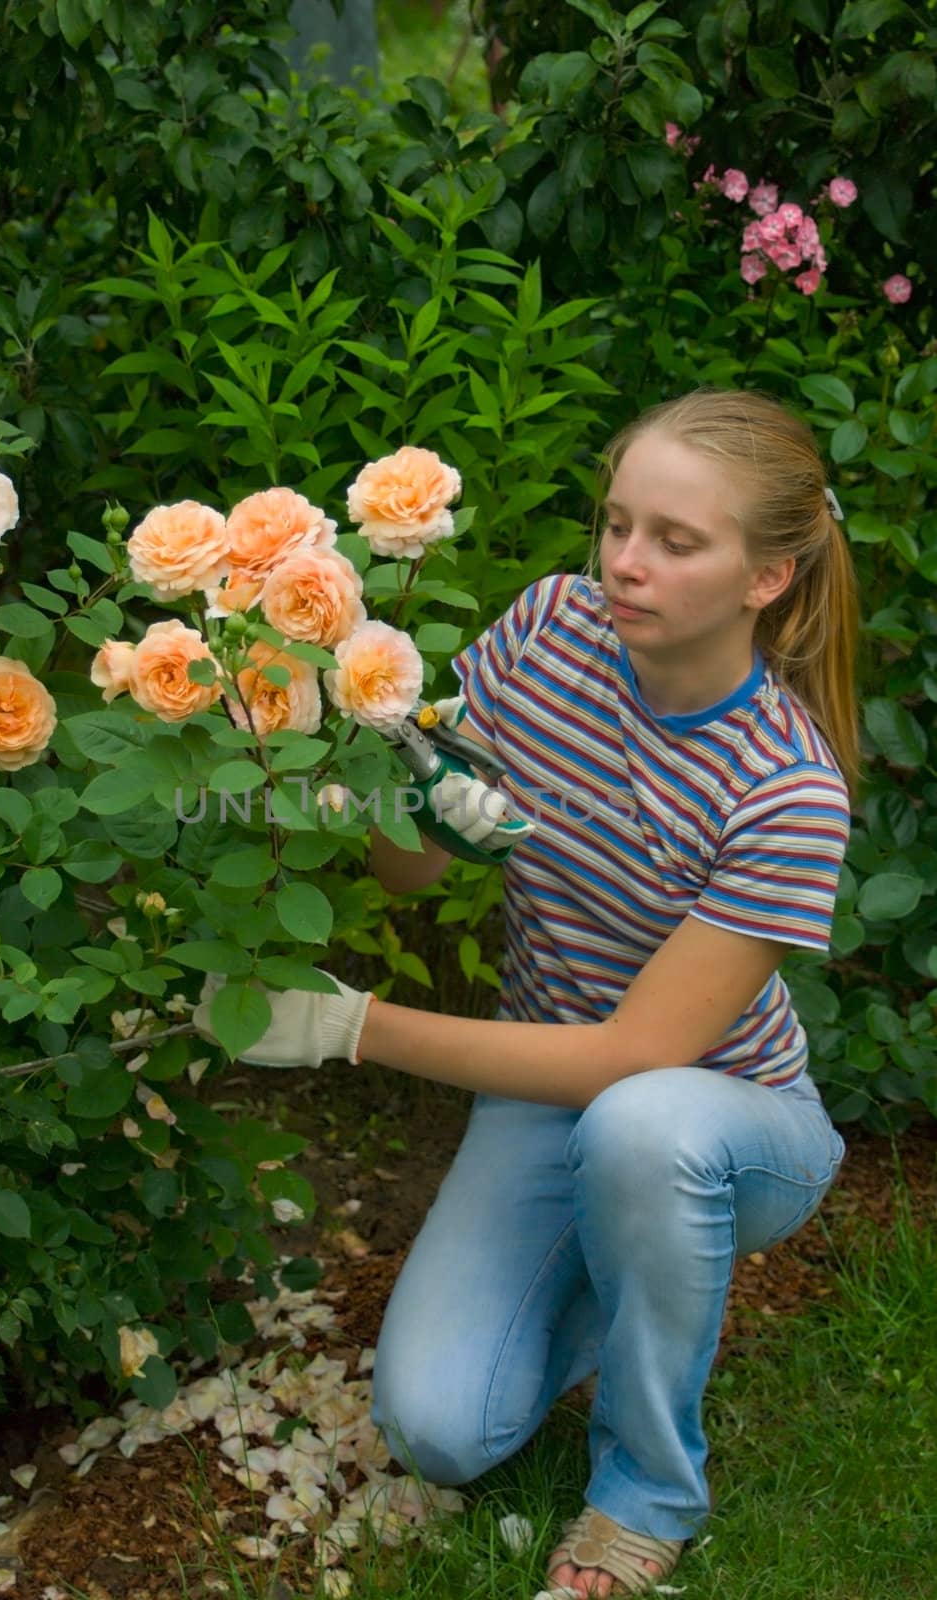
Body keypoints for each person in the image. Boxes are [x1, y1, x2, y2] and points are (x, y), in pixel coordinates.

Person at [196, 387, 859, 1597]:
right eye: (616, 524)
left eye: (675, 540)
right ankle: (638, 1273)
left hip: (719, 1120)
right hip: (543, 1091)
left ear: (767, 578)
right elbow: (409, 875)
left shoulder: (787, 792)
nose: (624, 563)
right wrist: (411, 788)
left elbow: (632, 1058)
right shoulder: (554, 625)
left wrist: (352, 1028)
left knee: (644, 1128)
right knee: (441, 1428)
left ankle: (644, 1495)